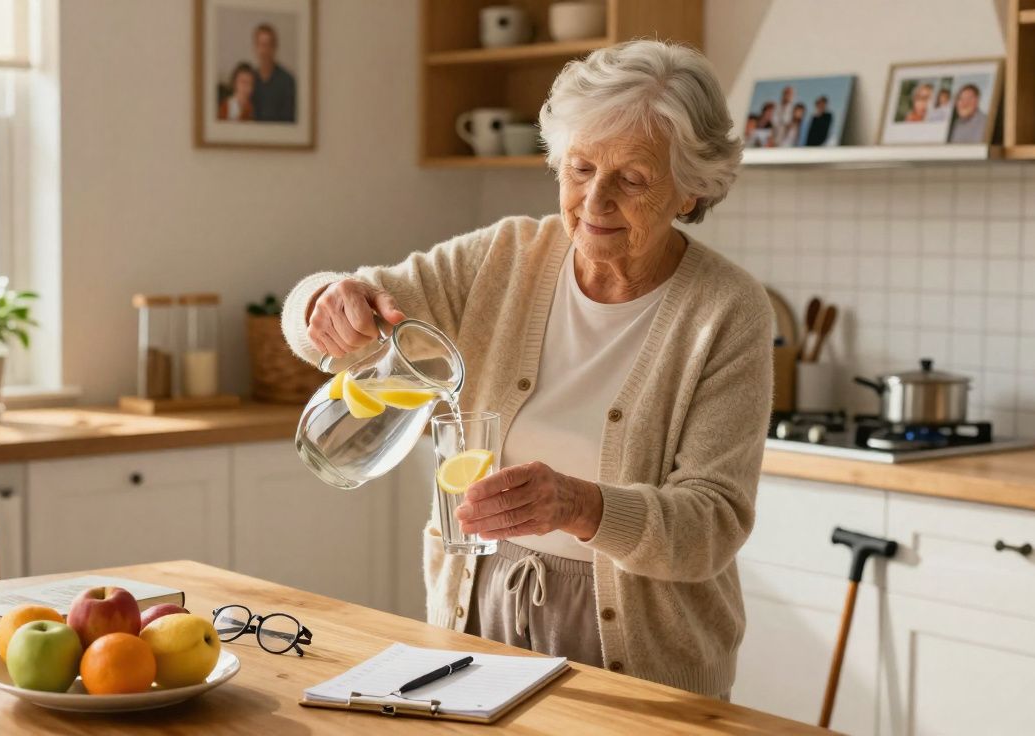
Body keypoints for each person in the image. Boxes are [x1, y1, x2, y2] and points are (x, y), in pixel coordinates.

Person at [281, 40, 772, 699]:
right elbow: (345, 321)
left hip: (648, 662)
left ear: (690, 190)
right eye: (580, 168)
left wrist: (577, 504)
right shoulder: (505, 257)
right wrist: (324, 301)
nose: (594, 201)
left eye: (632, 179)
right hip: (476, 624)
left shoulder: (726, 310)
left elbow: (710, 526)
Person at [251, 23, 296, 122]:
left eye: (268, 45)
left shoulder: (287, 81)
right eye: (261, 45)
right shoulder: (250, 80)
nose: (265, 51)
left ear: (275, 47)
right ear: (255, 47)